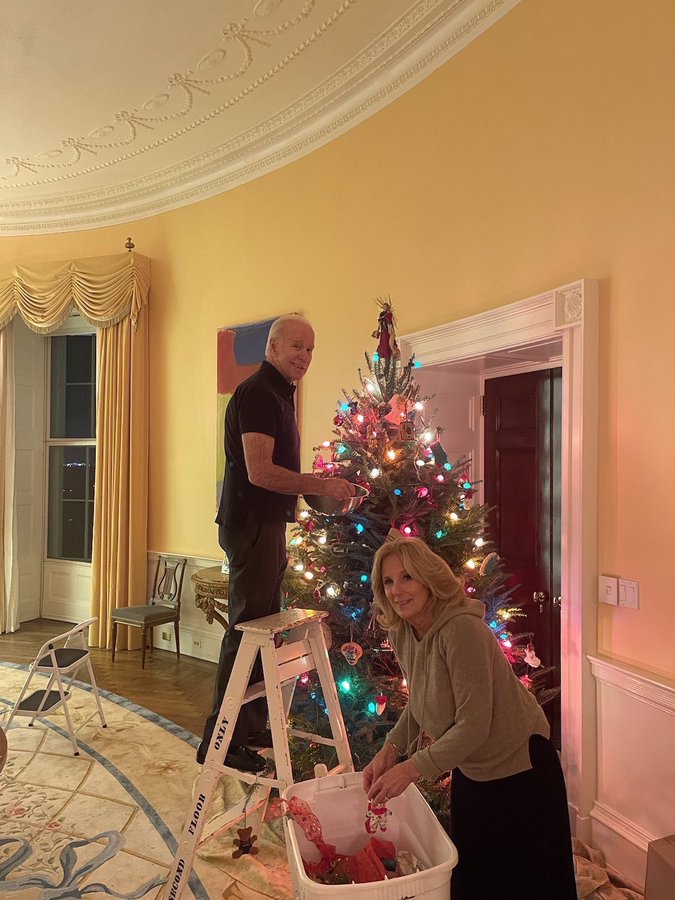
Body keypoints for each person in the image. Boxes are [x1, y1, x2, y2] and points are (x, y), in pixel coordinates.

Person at [363, 536, 577, 899]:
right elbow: (423, 701)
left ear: (429, 580)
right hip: (473, 768)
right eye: (388, 581)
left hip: (521, 767)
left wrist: (411, 768)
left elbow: (473, 725)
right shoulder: (404, 632)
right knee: (474, 878)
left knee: (529, 884)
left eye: (407, 578)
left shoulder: (462, 630)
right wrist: (390, 749)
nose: (397, 591)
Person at [197, 314, 355, 772]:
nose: (304, 356)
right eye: (297, 347)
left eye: (310, 349)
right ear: (273, 346)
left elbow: (272, 476)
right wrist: (317, 482)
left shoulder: (279, 394)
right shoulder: (261, 394)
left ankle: (247, 728)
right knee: (246, 632)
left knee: (262, 630)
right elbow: (260, 472)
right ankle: (220, 741)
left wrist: (314, 485)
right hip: (252, 526)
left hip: (266, 526)